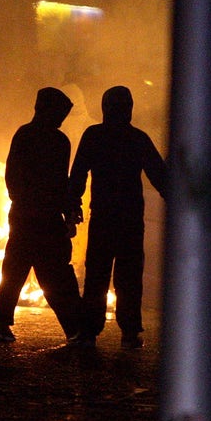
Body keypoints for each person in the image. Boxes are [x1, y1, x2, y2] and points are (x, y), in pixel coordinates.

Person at [68, 86, 167, 349]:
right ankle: (129, 332)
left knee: (96, 275)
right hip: (131, 218)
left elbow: (78, 174)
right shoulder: (138, 138)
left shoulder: (94, 135)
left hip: (103, 216)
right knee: (130, 276)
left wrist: (72, 204)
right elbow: (161, 176)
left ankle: (89, 331)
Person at [0, 88, 84, 343]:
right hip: (39, 216)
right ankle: (74, 328)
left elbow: (15, 177)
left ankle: (1, 323)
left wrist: (66, 211)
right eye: (60, 112)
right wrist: (66, 211)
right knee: (52, 273)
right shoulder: (54, 140)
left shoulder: (28, 135)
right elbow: (58, 182)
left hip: (28, 214)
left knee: (18, 269)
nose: (62, 118)